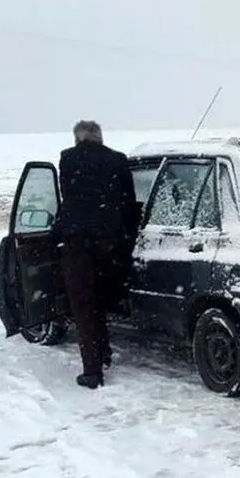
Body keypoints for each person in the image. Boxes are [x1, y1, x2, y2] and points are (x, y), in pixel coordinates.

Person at [54, 120, 141, 389]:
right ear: (100, 137)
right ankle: (103, 353)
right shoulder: (118, 160)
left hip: (78, 244)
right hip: (110, 244)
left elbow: (68, 197)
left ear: (77, 138)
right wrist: (123, 237)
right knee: (101, 299)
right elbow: (129, 202)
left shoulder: (68, 159)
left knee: (84, 306)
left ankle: (93, 371)